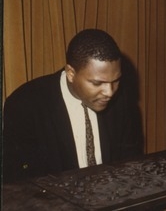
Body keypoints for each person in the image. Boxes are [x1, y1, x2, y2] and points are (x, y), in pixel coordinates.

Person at [3, 29, 144, 183]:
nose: (109, 92)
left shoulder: (120, 99)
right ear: (70, 73)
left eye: (116, 80)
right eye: (97, 83)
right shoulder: (25, 105)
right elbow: (17, 181)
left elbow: (130, 163)